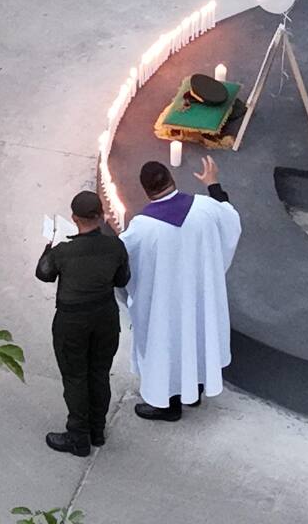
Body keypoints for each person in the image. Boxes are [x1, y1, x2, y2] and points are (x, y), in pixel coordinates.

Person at [119, 156, 240, 420]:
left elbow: (120, 259)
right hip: (198, 295)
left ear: (146, 191)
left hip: (164, 301)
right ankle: (193, 391)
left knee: (166, 343)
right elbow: (230, 220)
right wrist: (213, 184)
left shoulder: (142, 227)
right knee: (194, 336)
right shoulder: (206, 208)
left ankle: (167, 404)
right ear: (172, 180)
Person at [35, 190, 130, 456]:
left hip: (72, 321)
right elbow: (122, 280)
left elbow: (43, 273)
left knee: (76, 376)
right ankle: (97, 430)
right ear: (101, 215)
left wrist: (50, 245)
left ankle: (78, 437)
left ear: (74, 218)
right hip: (105, 318)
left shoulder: (64, 251)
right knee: (99, 372)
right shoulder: (115, 246)